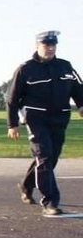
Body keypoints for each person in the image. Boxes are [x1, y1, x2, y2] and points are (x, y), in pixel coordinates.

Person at [6, 30, 83, 216]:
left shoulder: (66, 67)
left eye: (52, 45)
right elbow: (12, 98)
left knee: (50, 158)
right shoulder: (25, 69)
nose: (49, 49)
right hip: (36, 119)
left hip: (59, 119)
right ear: (37, 46)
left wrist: (81, 105)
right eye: (45, 45)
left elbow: (78, 88)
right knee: (45, 157)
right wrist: (12, 124)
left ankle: (26, 186)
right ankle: (50, 202)